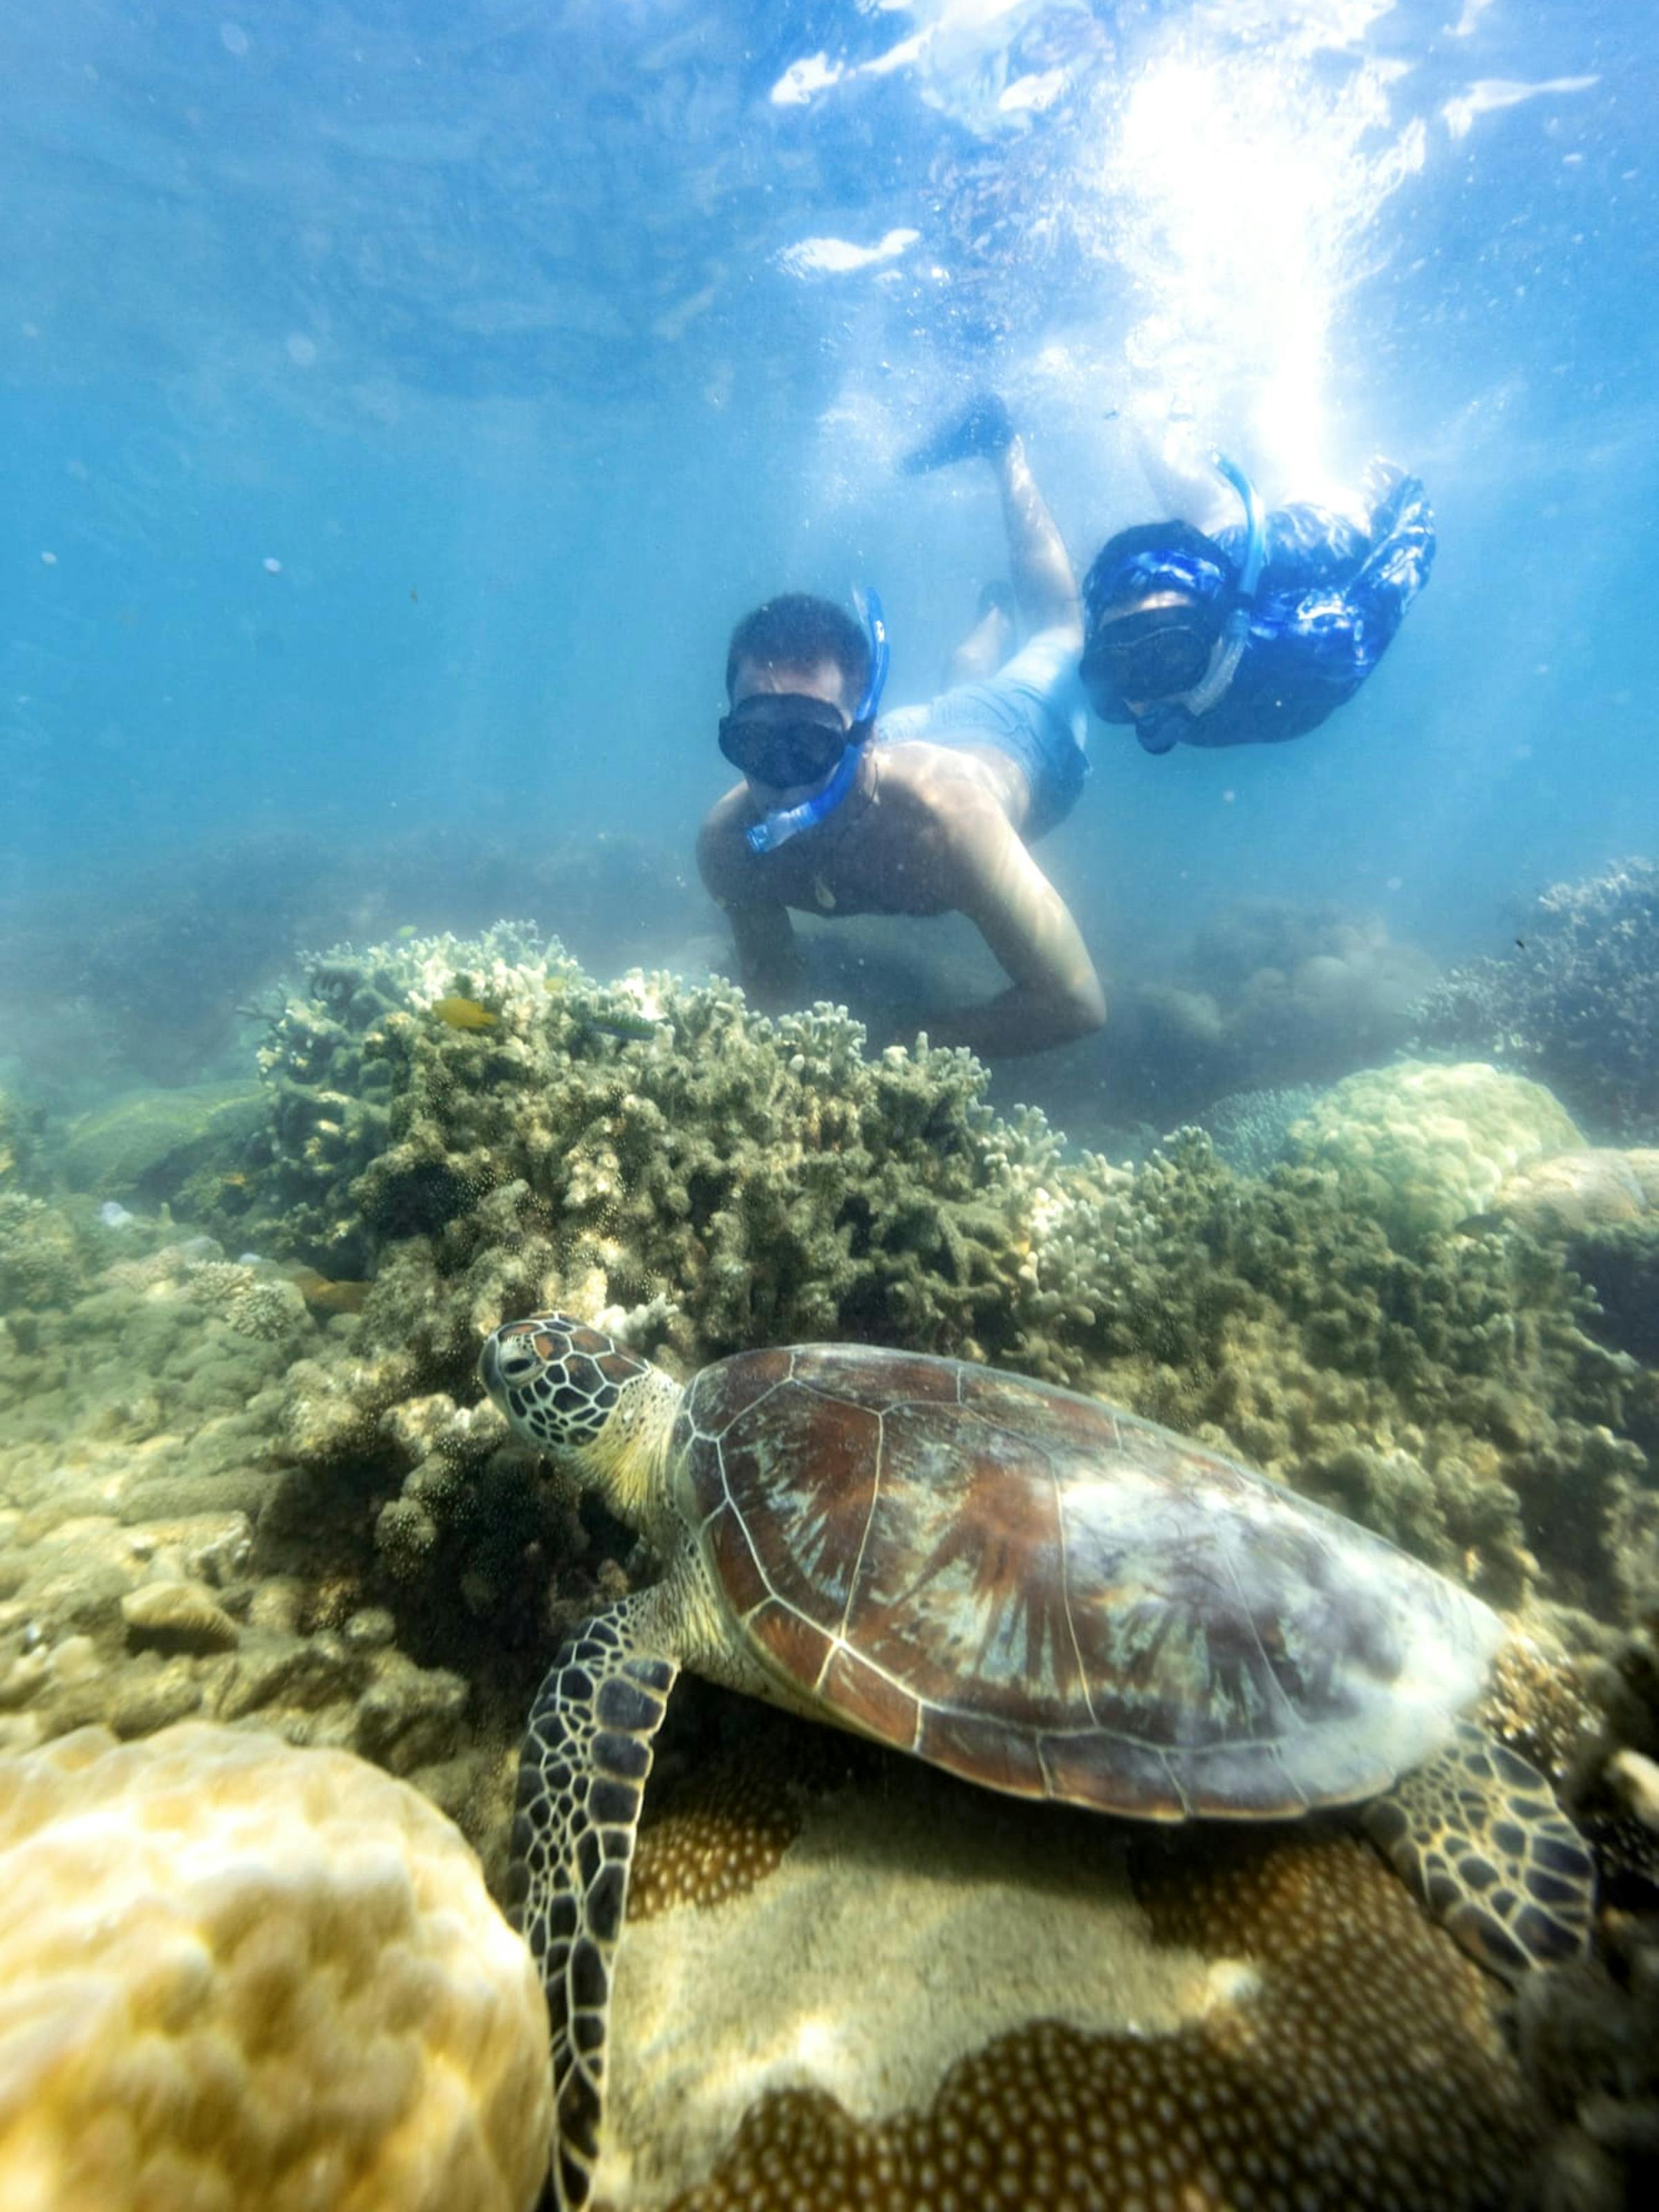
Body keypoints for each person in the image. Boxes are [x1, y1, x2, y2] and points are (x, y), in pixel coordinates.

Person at [696, 398, 1105, 1060]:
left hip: (1022, 732)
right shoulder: (730, 846)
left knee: (1061, 632)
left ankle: (1005, 449)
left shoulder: (948, 825)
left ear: (867, 733)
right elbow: (771, 991)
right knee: (960, 681)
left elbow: (1076, 1001)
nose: (779, 777)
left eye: (807, 743)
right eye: (752, 740)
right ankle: (989, 619)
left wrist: (897, 1047)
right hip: (922, 733)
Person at [1078, 433, 1436, 758]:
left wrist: (1405, 501)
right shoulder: (1113, 697)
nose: (1148, 690)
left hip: (1302, 541)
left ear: (1223, 635)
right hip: (1210, 556)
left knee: (1296, 468)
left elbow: (1394, 577)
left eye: (1172, 653)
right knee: (1199, 497)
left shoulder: (1319, 647)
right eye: (1116, 667)